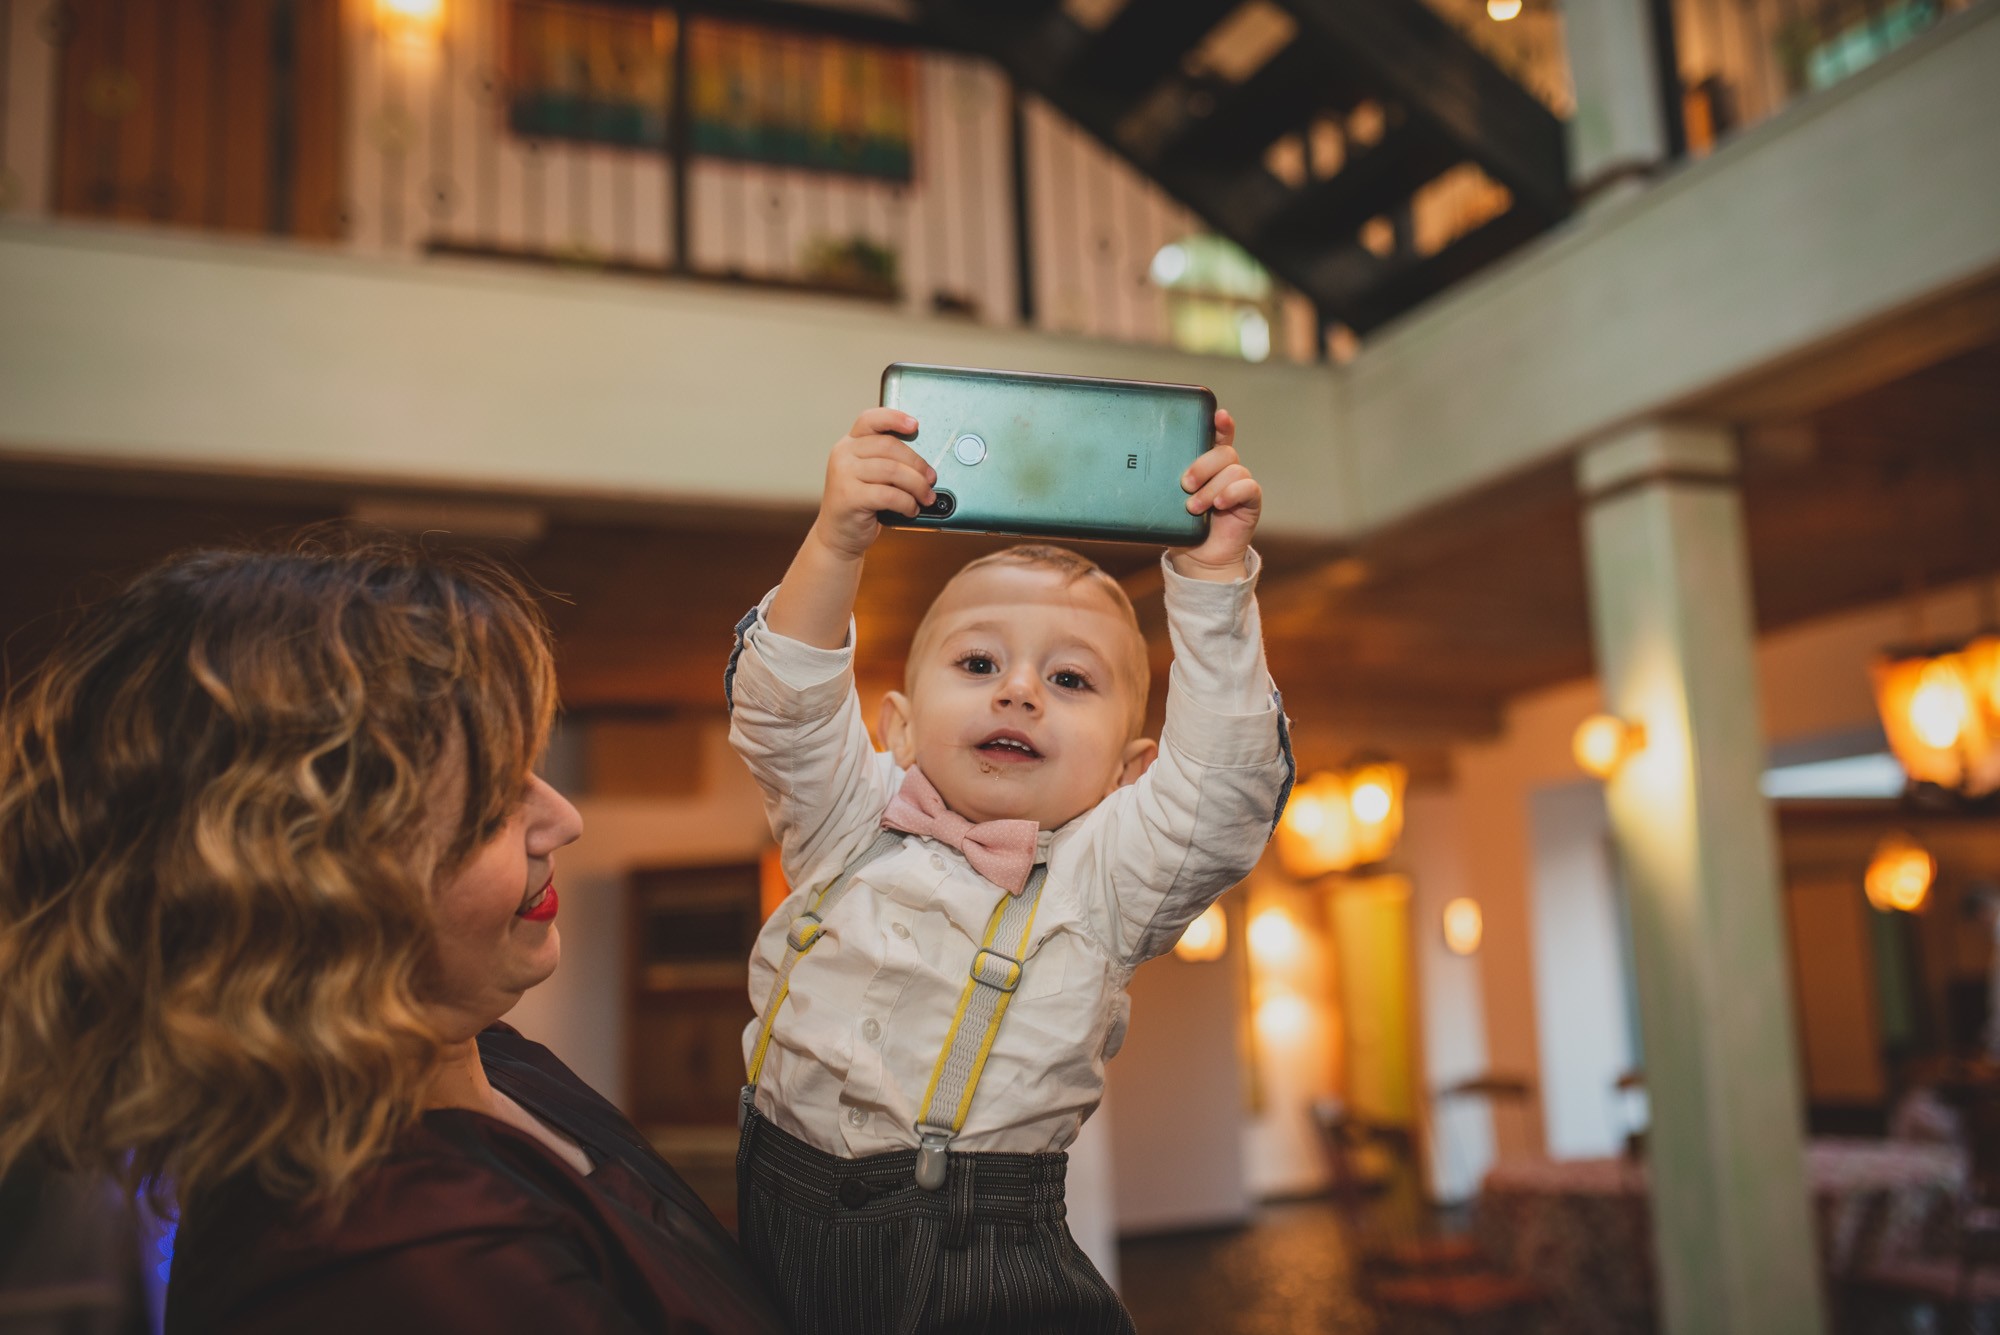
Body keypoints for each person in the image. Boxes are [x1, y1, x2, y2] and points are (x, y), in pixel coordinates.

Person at [0, 535, 786, 1335]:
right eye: (491, 807)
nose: (564, 819)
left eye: (532, 767)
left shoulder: (492, 1055)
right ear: (318, 883)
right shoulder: (385, 1248)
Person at [725, 406, 1291, 1334]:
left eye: (1070, 679)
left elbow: (1225, 789)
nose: (1020, 689)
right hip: (772, 1238)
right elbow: (784, 705)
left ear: (1129, 774)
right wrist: (835, 539)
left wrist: (1213, 578)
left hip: (980, 1273)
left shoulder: (1105, 878)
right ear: (901, 726)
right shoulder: (848, 815)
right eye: (980, 660)